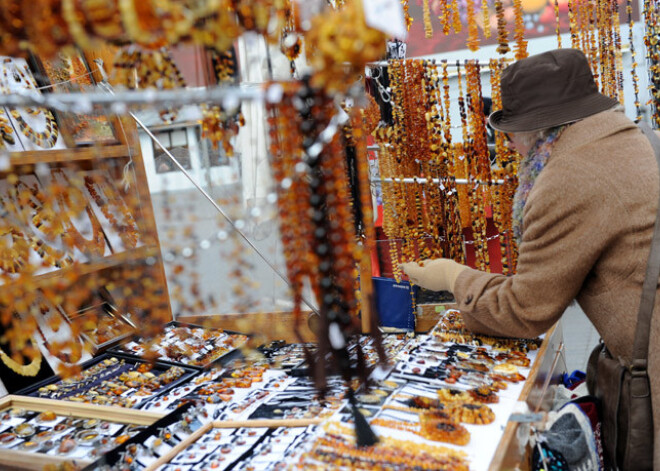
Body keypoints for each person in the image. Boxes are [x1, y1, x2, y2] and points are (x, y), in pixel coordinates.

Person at [400, 48, 660, 468]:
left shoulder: (569, 175)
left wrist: (453, 277)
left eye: (514, 131)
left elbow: (525, 310)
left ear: (541, 129)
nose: (510, 143)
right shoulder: (630, 136)